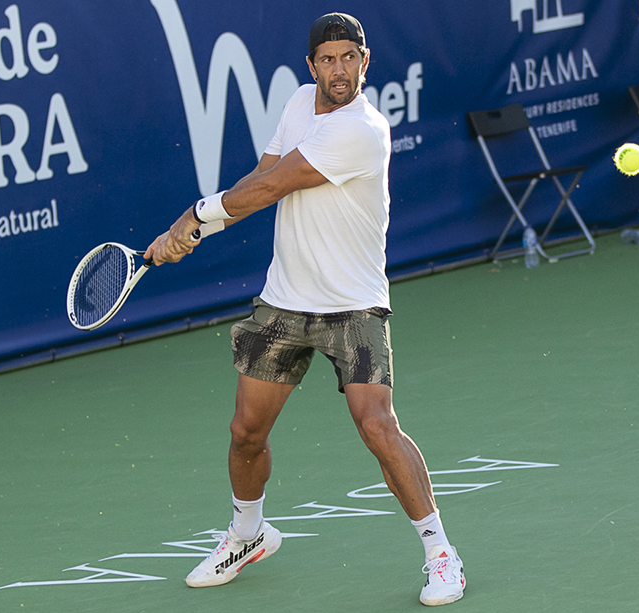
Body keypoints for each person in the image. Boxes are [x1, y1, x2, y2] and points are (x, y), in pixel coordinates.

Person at [144, 12, 465, 607]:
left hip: (354, 306)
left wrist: (193, 216)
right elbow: (264, 172)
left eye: (350, 57)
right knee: (246, 432)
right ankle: (249, 533)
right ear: (311, 66)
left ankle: (440, 551)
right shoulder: (297, 103)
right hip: (285, 300)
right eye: (328, 58)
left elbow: (276, 186)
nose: (339, 69)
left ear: (365, 63)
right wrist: (199, 232)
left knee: (377, 425)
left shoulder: (363, 130)